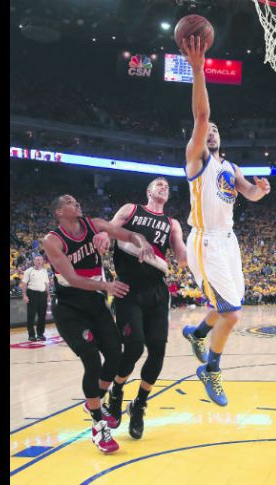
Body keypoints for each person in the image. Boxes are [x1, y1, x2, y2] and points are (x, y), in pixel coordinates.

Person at [177, 35, 271, 407]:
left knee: (228, 305)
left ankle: (198, 333)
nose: (211, 130)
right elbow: (201, 116)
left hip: (229, 241)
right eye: (207, 130)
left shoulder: (231, 168)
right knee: (231, 314)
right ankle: (211, 368)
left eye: (216, 129)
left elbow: (249, 193)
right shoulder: (196, 160)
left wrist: (260, 191)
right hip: (205, 239)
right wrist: (198, 69)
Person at [41, 195, 153, 454]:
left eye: (76, 199)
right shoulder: (52, 240)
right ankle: (98, 424)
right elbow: (71, 277)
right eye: (69, 201)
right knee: (92, 359)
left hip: (95, 302)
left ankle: (95, 401)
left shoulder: (95, 224)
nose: (76, 202)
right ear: (59, 211)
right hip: (69, 307)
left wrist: (142, 241)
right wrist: (107, 285)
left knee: (115, 354)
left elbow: (127, 234)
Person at [92, 177, 188, 439]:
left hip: (157, 291)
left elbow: (181, 257)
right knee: (134, 347)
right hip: (128, 290)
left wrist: (197, 245)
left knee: (157, 351)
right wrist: (102, 233)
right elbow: (109, 231)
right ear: (148, 191)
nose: (163, 187)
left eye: (167, 186)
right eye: (158, 184)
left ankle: (139, 405)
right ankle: (118, 389)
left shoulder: (172, 224)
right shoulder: (130, 209)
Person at [21, 255, 50, 341]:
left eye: (41, 260)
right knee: (31, 315)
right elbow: (24, 284)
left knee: (42, 316)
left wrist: (48, 295)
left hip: (43, 295)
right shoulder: (28, 271)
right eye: (37, 260)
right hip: (32, 294)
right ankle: (31, 335)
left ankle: (40, 334)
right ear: (34, 261)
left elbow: (47, 284)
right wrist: (24, 295)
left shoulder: (45, 271)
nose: (39, 261)